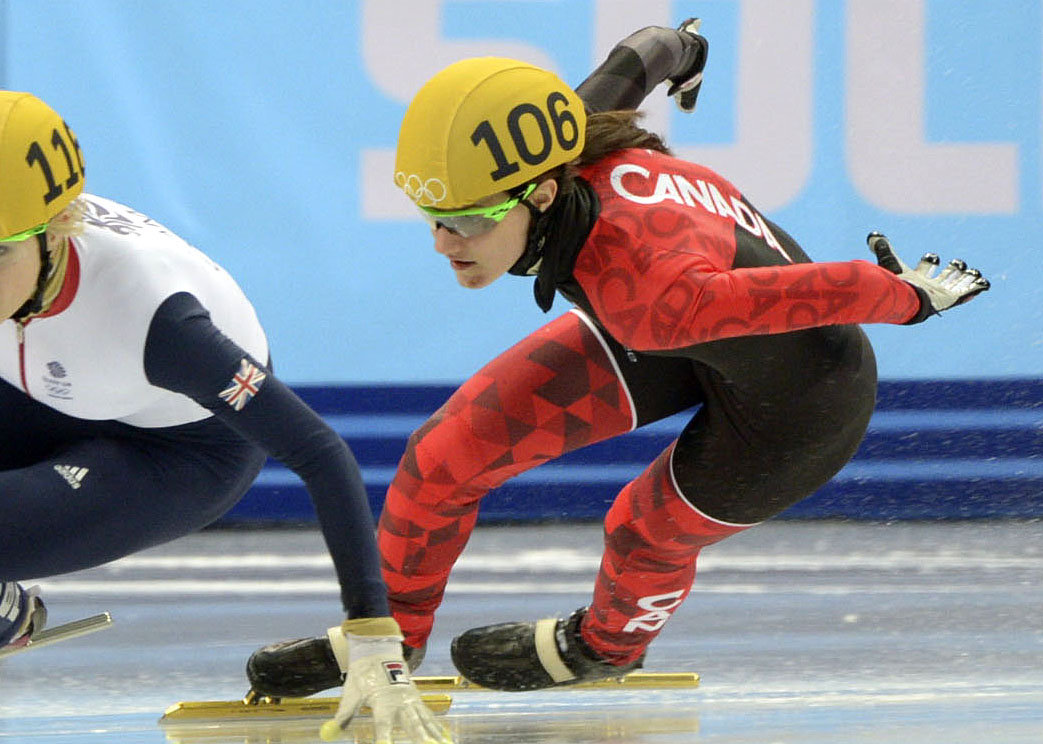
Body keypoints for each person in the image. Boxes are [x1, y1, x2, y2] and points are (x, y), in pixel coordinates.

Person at [247, 22, 989, 695]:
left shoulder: (647, 295)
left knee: (644, 527)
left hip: (803, 398)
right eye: (433, 219)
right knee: (443, 456)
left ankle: (605, 646)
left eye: (468, 220)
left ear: (542, 196)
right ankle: (389, 640)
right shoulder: (563, 136)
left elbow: (808, 294)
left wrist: (910, 296)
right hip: (696, 325)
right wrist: (686, 51)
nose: (444, 243)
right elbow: (644, 52)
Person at [0, 90, 453, 744]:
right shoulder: (21, 257)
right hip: (53, 384)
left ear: (59, 228)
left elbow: (320, 452)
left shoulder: (153, 318)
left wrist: (373, 635)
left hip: (181, 453)